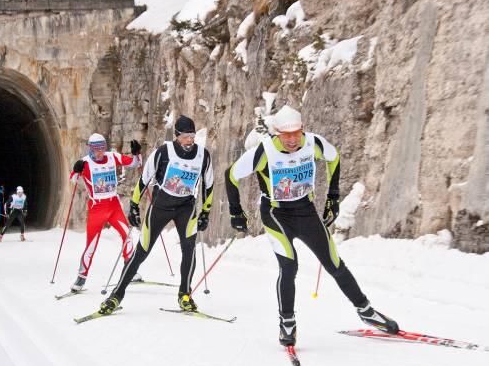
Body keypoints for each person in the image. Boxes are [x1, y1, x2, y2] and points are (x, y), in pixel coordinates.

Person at [225, 105, 399, 347]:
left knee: (335, 264)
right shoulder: (263, 151)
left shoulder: (313, 143)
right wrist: (236, 212)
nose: (293, 139)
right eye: (286, 135)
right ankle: (287, 322)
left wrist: (333, 198)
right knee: (289, 266)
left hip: (305, 211)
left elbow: (334, 157)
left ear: (303, 129)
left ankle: (366, 311)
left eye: (296, 133)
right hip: (276, 214)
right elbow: (231, 175)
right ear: (276, 133)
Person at [99, 115, 214, 315]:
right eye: (186, 136)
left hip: (186, 207)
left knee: (189, 249)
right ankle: (116, 295)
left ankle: (185, 294)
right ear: (177, 135)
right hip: (160, 207)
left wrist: (206, 211)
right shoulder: (164, 152)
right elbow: (144, 180)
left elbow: (209, 184)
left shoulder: (203, 155)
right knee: (141, 252)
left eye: (192, 136)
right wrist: (134, 206)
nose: (190, 140)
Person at [68, 133, 142, 292]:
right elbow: (73, 179)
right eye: (96, 149)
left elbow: (135, 164)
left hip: (114, 206)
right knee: (91, 244)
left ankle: (130, 269)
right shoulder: (85, 163)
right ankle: (81, 278)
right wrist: (76, 169)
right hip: (97, 208)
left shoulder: (112, 157)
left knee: (127, 234)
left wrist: (137, 153)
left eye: (103, 148)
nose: (100, 152)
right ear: (90, 149)